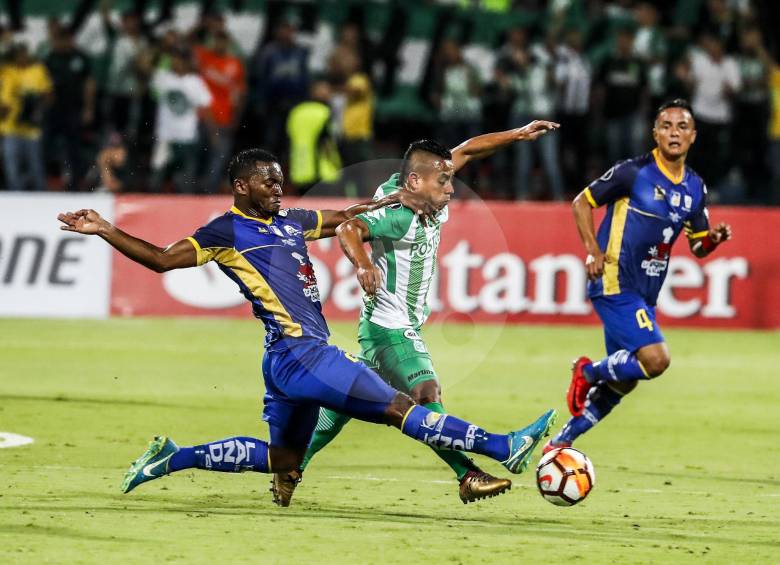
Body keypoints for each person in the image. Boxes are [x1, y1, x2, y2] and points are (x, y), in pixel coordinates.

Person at [57, 148, 557, 499]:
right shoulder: (226, 230)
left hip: (283, 360)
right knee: (400, 406)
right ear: (241, 186)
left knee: (283, 461)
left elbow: (344, 217)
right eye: (268, 182)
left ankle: (172, 457)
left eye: (280, 180)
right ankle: (503, 447)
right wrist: (105, 228)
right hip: (303, 353)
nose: (279, 188)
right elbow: (163, 259)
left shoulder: (290, 220)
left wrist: (391, 202)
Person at [288, 121, 560, 506]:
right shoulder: (400, 213)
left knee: (342, 404)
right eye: (443, 183)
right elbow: (349, 228)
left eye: (450, 180)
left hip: (394, 325)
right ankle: (481, 464)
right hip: (390, 329)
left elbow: (466, 149)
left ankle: (291, 464)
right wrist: (364, 264)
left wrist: (516, 135)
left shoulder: (428, 190)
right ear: (414, 181)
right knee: (425, 393)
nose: (451, 189)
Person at [544, 99, 732, 452]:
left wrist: (713, 240)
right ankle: (587, 372)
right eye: (666, 126)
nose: (673, 132)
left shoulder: (695, 188)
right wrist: (593, 251)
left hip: (646, 292)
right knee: (656, 360)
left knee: (627, 378)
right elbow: (582, 202)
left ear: (693, 136)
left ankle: (560, 441)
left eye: (681, 127)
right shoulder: (634, 172)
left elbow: (699, 247)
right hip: (615, 280)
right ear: (655, 133)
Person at [0, 43, 52, 191]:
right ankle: (15, 201)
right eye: (18, 54)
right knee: (12, 169)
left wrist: (36, 103)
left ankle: (41, 197)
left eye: (23, 54)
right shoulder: (7, 72)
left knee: (36, 167)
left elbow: (49, 95)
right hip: (11, 127)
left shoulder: (37, 70)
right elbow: (4, 103)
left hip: (32, 129)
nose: (21, 57)